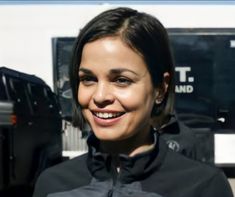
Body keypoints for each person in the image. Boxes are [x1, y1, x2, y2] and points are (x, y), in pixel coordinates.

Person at [33, 7, 233, 197]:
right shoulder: (52, 185)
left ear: (160, 89)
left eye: (122, 80)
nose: (100, 96)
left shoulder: (203, 187)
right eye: (88, 79)